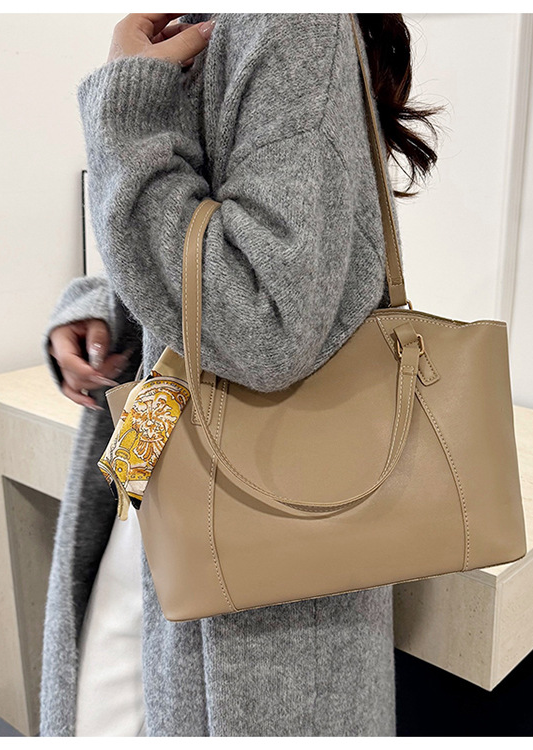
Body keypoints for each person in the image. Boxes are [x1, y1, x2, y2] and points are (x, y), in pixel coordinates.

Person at [40, 12, 440, 737]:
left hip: (242, 548)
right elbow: (214, 247)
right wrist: (104, 305)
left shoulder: (289, 23)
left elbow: (265, 322)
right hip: (169, 480)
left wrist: (129, 110)